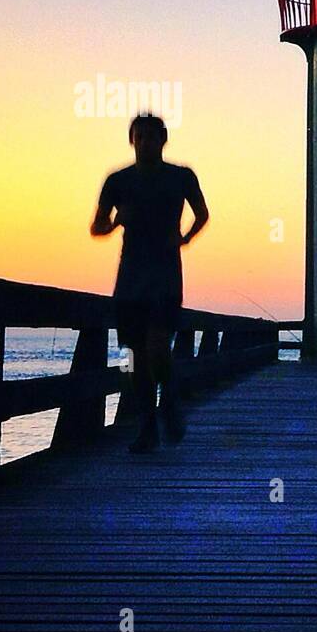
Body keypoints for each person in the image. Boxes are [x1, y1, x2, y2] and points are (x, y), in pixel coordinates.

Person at [91, 113, 209, 452]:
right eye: (138, 137)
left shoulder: (181, 176)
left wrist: (184, 238)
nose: (144, 143)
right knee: (138, 358)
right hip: (130, 278)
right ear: (131, 140)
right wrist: (115, 223)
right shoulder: (117, 181)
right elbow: (96, 227)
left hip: (165, 275)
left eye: (151, 136)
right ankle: (147, 427)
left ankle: (169, 402)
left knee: (158, 347)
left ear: (163, 139)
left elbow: (203, 214)